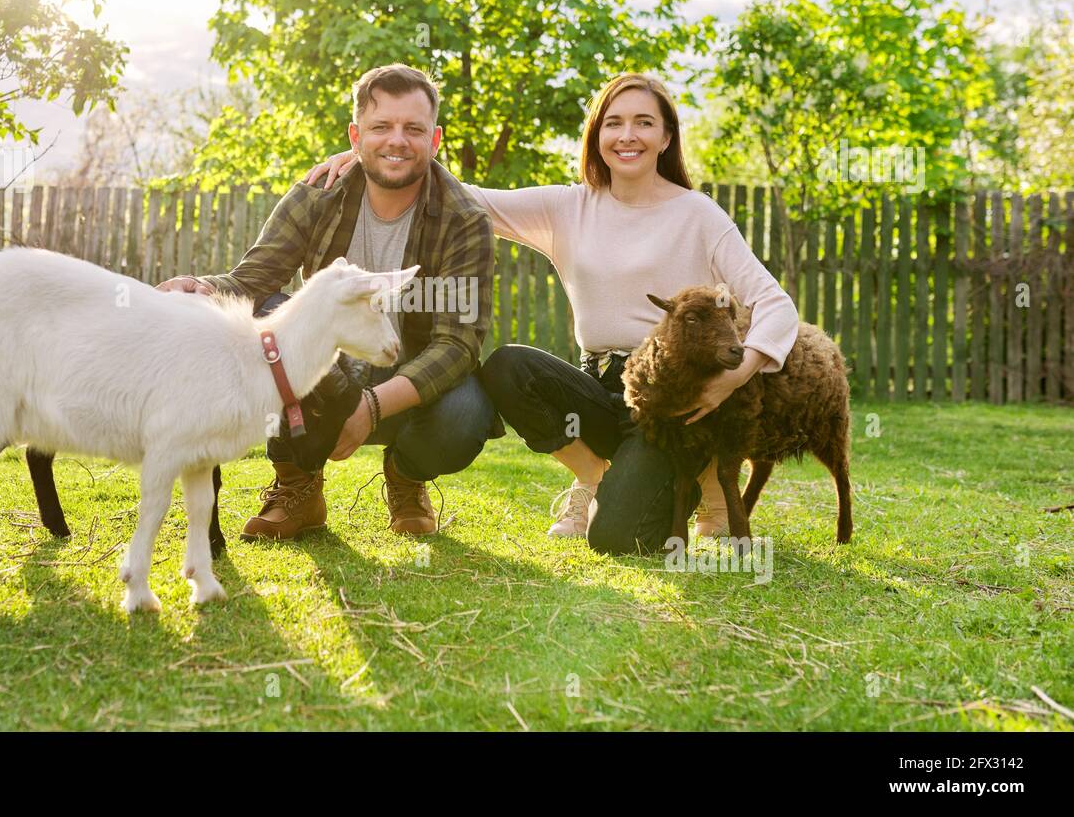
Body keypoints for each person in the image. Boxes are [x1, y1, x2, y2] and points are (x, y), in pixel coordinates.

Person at [302, 73, 799, 553]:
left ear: (666, 136)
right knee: (508, 367)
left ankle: (692, 476)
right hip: (600, 385)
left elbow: (775, 303)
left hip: (670, 401)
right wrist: (383, 156)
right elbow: (468, 199)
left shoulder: (699, 214)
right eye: (614, 123)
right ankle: (593, 476)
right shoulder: (570, 207)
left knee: (618, 540)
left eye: (644, 123)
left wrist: (736, 377)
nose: (628, 135)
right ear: (597, 134)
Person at [158, 63, 501, 541]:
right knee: (265, 316)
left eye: (413, 129)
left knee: (467, 411)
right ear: (356, 136)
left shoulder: (464, 219)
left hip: (408, 376)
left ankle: (406, 477)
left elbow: (458, 344)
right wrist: (200, 287)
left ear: (435, 139)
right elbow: (254, 281)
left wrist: (372, 408)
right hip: (329, 373)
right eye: (381, 127)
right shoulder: (317, 196)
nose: (396, 141)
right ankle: (298, 483)